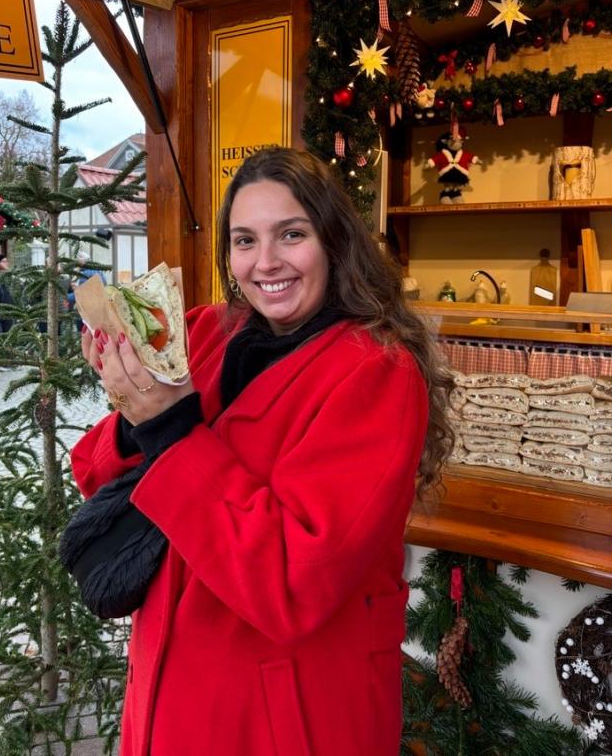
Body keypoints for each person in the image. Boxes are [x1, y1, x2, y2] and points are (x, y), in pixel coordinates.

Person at [69, 146, 453, 756]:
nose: (265, 262)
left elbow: (293, 583)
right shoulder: (204, 332)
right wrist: (132, 406)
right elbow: (94, 472)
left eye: (291, 235)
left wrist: (168, 426)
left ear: (332, 241)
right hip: (168, 692)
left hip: (286, 714)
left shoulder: (376, 372)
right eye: (244, 240)